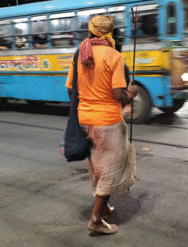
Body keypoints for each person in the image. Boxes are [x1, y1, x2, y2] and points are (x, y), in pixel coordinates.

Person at [65, 15, 139, 234]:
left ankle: (104, 207)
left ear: (90, 30)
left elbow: (71, 89)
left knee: (97, 167)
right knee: (110, 169)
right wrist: (131, 93)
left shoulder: (80, 54)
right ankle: (96, 219)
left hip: (85, 120)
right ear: (110, 33)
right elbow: (118, 94)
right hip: (108, 122)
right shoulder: (114, 56)